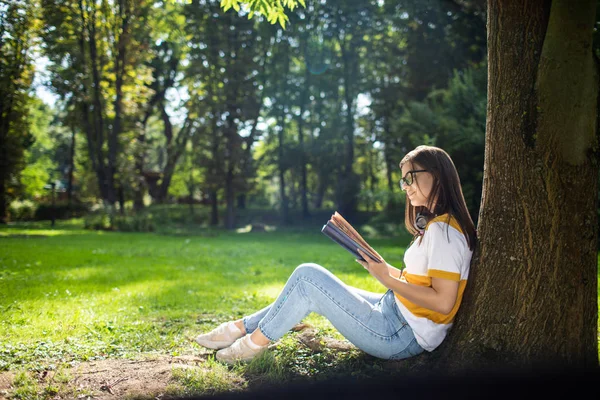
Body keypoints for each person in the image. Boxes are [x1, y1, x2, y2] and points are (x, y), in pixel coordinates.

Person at [194, 145, 478, 364]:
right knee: (308, 285)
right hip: (394, 311)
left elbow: (443, 302)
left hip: (399, 334)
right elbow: (420, 281)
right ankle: (238, 329)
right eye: (402, 180)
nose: (405, 187)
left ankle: (250, 345)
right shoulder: (437, 226)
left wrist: (386, 279)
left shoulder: (445, 232)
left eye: (410, 178)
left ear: (436, 176)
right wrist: (382, 266)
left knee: (308, 277)